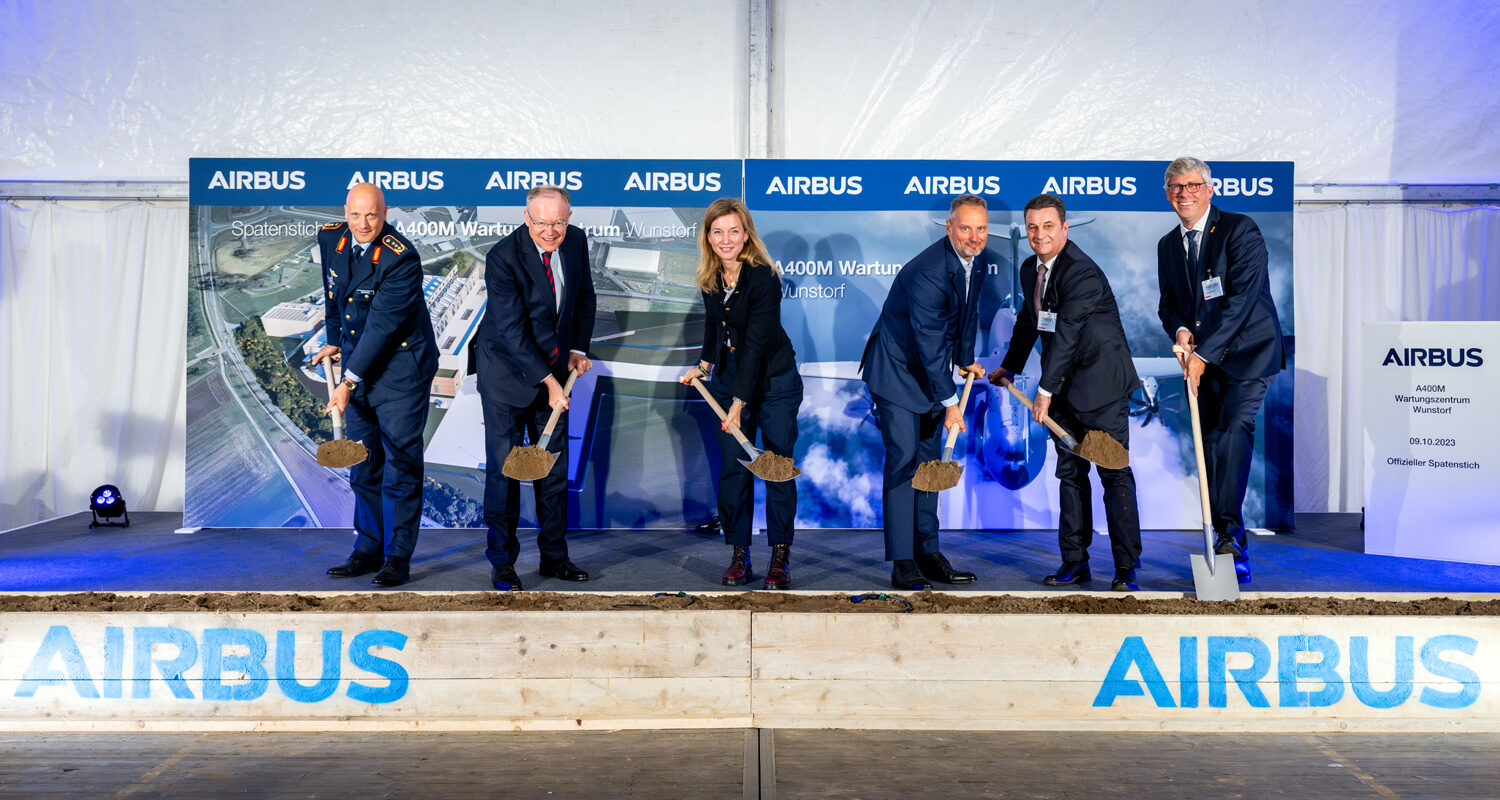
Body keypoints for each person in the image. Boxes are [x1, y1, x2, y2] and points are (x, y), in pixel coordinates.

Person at [991, 194, 1143, 591]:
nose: (1039, 235)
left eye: (1048, 226)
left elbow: (1067, 335)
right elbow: (1030, 322)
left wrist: (1043, 390)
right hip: (1063, 390)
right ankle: (1075, 562)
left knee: (1113, 474)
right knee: (1071, 475)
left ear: (1064, 228)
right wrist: (1011, 365)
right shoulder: (1031, 269)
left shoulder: (1082, 273)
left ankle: (1126, 567)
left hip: (1101, 390)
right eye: (1033, 227)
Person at [1156, 157, 1284, 583]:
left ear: (1210, 190)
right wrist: (1180, 330)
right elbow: (1169, 304)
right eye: (1177, 186)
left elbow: (1241, 301)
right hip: (1204, 359)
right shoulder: (1168, 245)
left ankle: (1230, 540)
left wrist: (1204, 354)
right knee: (1209, 444)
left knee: (1231, 430)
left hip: (1249, 355)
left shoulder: (1239, 230)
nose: (1185, 193)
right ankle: (1226, 533)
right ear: (1168, 194)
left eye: (1193, 185)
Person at [860, 194, 990, 590]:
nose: (974, 237)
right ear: (949, 228)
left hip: (930, 374)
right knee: (904, 462)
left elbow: (967, 316)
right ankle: (903, 562)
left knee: (930, 464)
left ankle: (927, 552)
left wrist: (965, 359)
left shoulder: (972, 261)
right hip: (897, 371)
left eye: (981, 229)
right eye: (965, 228)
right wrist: (951, 403)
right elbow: (930, 342)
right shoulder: (929, 271)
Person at [316, 182, 439, 588]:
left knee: (400, 466)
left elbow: (382, 328)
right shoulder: (331, 238)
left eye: (372, 215)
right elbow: (334, 293)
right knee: (364, 464)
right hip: (359, 364)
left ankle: (397, 557)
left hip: (400, 370)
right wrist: (334, 340)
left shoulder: (401, 258)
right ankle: (368, 549)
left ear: (385, 214)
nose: (363, 224)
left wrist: (347, 382)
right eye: (356, 214)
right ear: (345, 211)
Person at [474, 185, 596, 590]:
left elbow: (584, 298)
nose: (550, 231)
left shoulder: (575, 242)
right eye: (541, 222)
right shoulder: (503, 257)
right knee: (505, 474)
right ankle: (502, 564)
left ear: (569, 218)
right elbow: (511, 330)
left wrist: (578, 349)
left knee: (553, 471)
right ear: (526, 218)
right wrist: (549, 382)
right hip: (506, 376)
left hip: (555, 372)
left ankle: (554, 558)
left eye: (558, 222)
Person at [679, 198, 802, 589]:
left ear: (746, 234)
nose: (725, 239)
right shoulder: (711, 275)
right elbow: (714, 326)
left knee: (777, 466)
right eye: (717, 232)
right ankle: (739, 553)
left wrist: (738, 403)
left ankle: (780, 555)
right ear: (707, 236)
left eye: (733, 231)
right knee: (734, 469)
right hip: (731, 378)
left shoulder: (763, 277)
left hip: (775, 381)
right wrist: (704, 366)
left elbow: (757, 345)